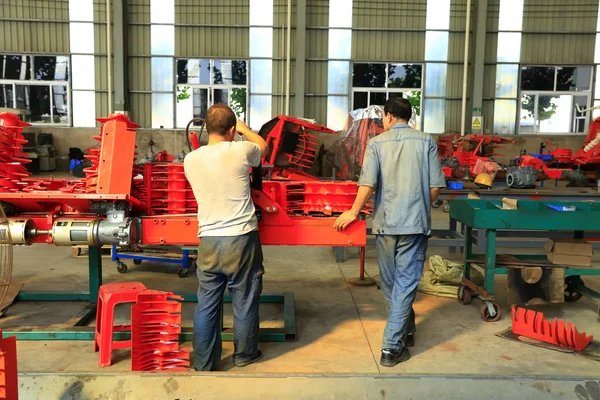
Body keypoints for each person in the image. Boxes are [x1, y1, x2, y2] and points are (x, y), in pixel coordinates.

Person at [334, 97, 446, 367]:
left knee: (393, 283)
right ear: (409, 117)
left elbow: (368, 184)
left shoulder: (376, 144)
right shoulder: (426, 141)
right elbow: (435, 187)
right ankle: (404, 332)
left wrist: (352, 211)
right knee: (404, 283)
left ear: (388, 117)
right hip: (415, 224)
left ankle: (390, 348)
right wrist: (420, 205)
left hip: (386, 224)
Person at [184, 104, 268, 371]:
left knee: (207, 304)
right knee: (243, 299)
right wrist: (244, 129)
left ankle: (204, 363)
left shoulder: (191, 159)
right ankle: (244, 355)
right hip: (241, 240)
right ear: (231, 130)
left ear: (207, 128)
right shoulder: (242, 149)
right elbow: (263, 147)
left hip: (208, 239)